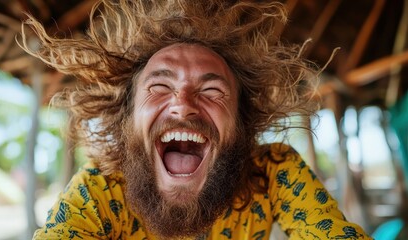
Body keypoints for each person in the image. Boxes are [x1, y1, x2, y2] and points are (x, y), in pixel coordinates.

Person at [22, 0, 372, 239]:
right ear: (126, 119)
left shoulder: (272, 172)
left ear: (242, 123)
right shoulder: (101, 189)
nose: (182, 105)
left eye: (212, 91)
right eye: (159, 86)